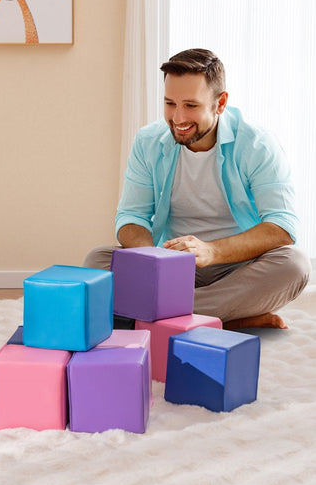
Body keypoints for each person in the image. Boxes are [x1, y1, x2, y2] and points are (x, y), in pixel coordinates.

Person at [84, 48, 311, 330]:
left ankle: (154, 317)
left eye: (191, 105)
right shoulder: (148, 141)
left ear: (221, 103)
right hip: (170, 268)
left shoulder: (257, 144)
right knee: (97, 261)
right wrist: (155, 259)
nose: (178, 118)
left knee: (294, 265)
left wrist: (211, 251)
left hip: (237, 267)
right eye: (170, 103)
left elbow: (282, 225)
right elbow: (131, 216)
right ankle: (228, 319)